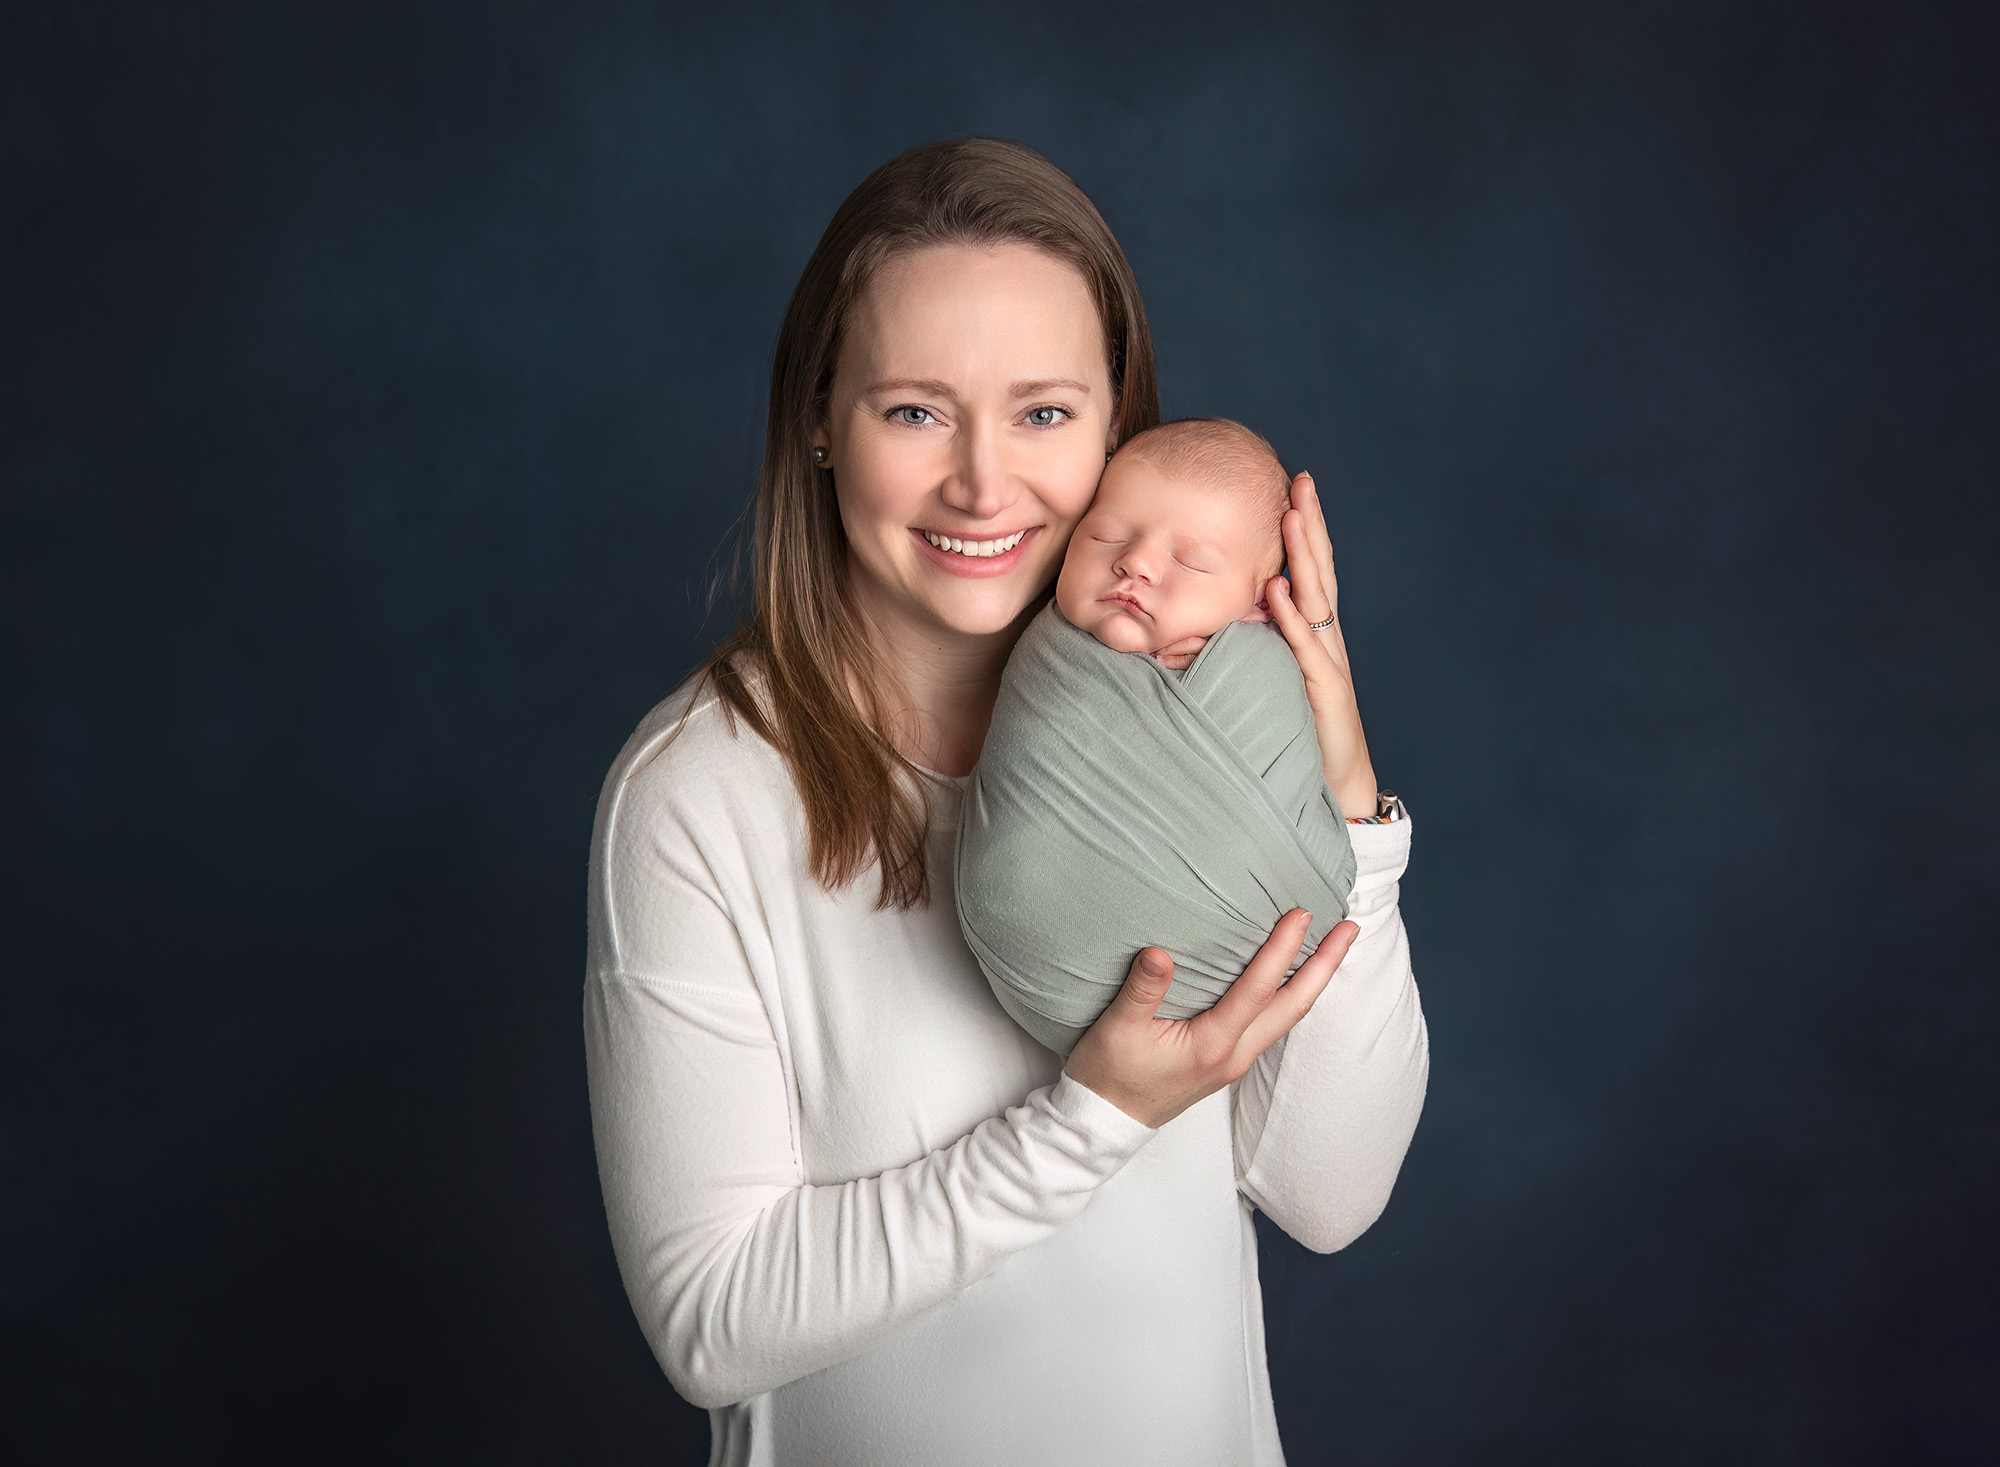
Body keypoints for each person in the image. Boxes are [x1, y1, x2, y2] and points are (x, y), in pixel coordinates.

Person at [583, 137, 1428, 1467]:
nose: (984, 483)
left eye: (1045, 412)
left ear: (1116, 422)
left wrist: (1349, 809)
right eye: (915, 410)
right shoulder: (700, 790)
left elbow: (1327, 1193)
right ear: (820, 414)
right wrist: (1089, 1118)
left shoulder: (1211, 724)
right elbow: (708, 1318)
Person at [957, 416, 1362, 1056]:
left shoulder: (1262, 672)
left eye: (1191, 561)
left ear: (1263, 603)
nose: (1136, 562)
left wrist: (1354, 783)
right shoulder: (1049, 659)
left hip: (1248, 978)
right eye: (1105, 535)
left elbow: (1327, 877)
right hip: (1033, 967)